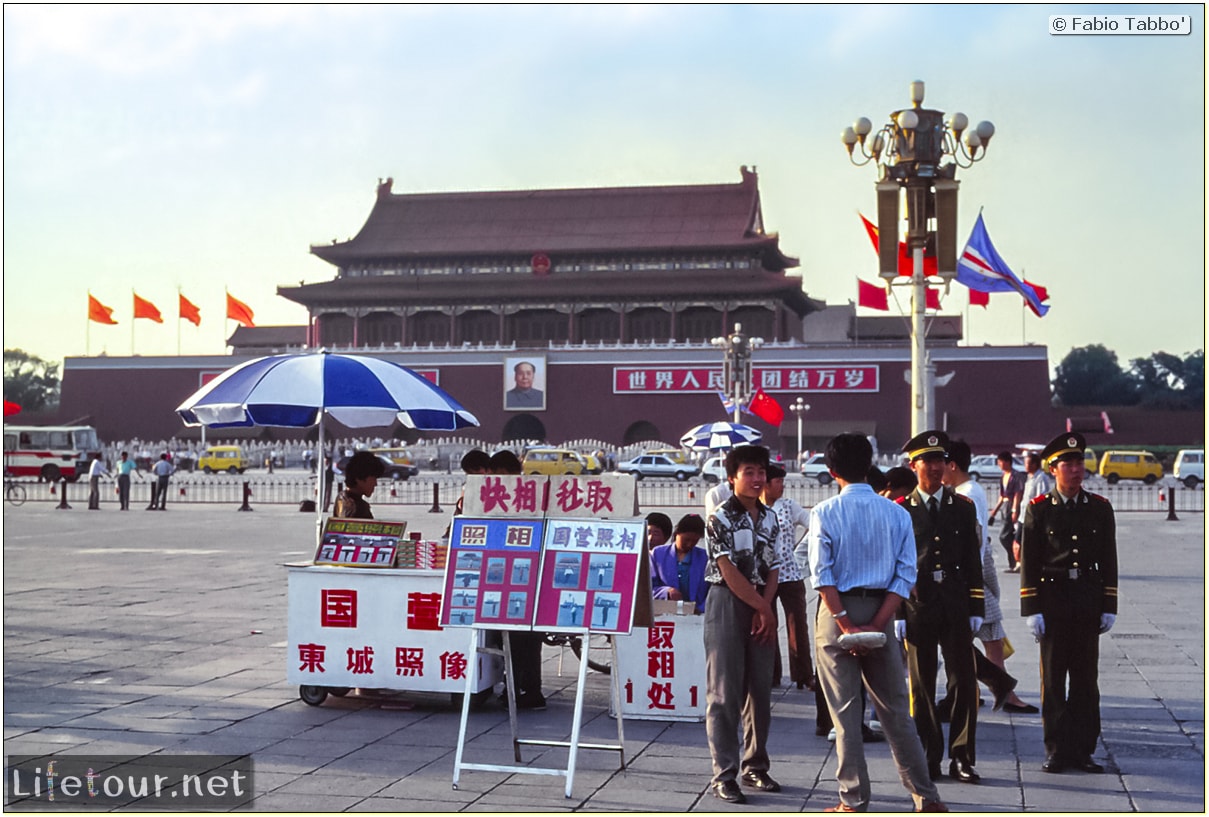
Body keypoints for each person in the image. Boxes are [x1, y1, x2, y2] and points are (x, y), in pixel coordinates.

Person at [807, 432, 947, 814]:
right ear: (869, 466)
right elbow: (905, 576)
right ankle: (926, 796)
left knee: (846, 716)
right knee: (896, 713)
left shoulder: (824, 512)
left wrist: (846, 625)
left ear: (832, 470)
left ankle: (853, 800)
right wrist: (876, 624)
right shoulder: (898, 512)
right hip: (883, 609)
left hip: (838, 613)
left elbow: (822, 576)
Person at [1020, 432, 1118, 774]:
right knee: (1053, 680)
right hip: (1053, 601)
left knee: (1085, 681)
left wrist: (1109, 604)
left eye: (1080, 463)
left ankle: (1083, 749)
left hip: (1088, 600)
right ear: (1053, 469)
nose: (1076, 471)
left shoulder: (1100, 509)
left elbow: (1109, 558)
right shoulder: (1039, 509)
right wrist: (1031, 609)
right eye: (1068, 465)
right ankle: (1057, 749)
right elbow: (1029, 562)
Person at [895, 430, 984, 784]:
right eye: (926, 461)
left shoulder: (962, 507)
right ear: (912, 465)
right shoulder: (901, 510)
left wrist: (976, 604)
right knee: (922, 683)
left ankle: (962, 756)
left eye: (939, 461)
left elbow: (972, 559)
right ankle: (929, 755)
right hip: (918, 604)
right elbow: (896, 563)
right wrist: (899, 612)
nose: (934, 468)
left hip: (956, 601)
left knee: (963, 680)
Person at [703, 445, 781, 804]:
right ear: (732, 477)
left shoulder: (770, 517)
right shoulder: (719, 517)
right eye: (749, 472)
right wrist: (762, 607)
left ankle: (756, 765)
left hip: (762, 604)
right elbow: (728, 571)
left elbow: (775, 564)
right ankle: (724, 773)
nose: (757, 479)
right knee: (724, 691)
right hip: (728, 604)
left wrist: (766, 607)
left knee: (760, 690)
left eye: (761, 472)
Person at [943, 439, 1035, 715]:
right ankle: (997, 690)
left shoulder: (967, 493)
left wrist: (976, 580)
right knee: (989, 635)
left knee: (963, 637)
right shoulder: (967, 489)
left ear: (952, 465)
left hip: (970, 574)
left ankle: (996, 688)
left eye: (941, 464)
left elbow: (975, 538)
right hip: (976, 572)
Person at [762, 463, 813, 690]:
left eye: (783, 482)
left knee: (798, 626)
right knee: (767, 625)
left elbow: (814, 524)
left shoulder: (789, 506)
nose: (781, 486)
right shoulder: (754, 508)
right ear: (766, 484)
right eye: (777, 482)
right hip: (763, 578)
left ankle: (803, 675)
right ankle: (770, 674)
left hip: (791, 575)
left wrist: (800, 549)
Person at [650, 513, 709, 613]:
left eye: (694, 541)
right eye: (686, 539)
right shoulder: (657, 554)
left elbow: (712, 591)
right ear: (677, 533)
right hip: (665, 613)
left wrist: (701, 609)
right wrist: (666, 592)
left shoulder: (704, 557)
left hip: (697, 615)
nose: (689, 544)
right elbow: (648, 588)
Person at [1013, 452, 1053, 568]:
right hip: (1023, 515)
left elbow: (1041, 496)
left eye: (1027, 463)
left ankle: (1027, 563)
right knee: (1018, 540)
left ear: (1035, 464)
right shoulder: (1029, 477)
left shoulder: (1041, 478)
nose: (1025, 466)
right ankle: (1020, 563)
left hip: (1032, 516)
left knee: (1028, 541)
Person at [988, 451, 1025, 572]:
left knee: (1004, 536)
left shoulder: (1016, 475)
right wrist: (994, 511)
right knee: (1008, 535)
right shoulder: (1003, 476)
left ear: (1007, 462)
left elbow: (1017, 494)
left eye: (1000, 462)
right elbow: (1001, 495)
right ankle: (1013, 562)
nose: (999, 464)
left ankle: (1018, 558)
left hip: (1012, 505)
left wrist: (1015, 509)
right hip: (1005, 505)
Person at [332, 450, 385, 519]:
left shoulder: (341, 496)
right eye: (373, 479)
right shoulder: (357, 508)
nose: (375, 484)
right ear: (360, 479)